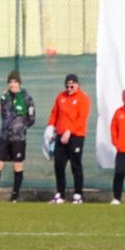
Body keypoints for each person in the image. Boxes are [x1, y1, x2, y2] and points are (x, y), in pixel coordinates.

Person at [46, 73, 91, 204]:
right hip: (60, 136)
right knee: (59, 165)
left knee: (75, 165)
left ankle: (78, 195)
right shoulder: (61, 97)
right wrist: (50, 127)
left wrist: (69, 131)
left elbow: (81, 119)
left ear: (77, 85)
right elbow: (54, 113)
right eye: (67, 86)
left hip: (76, 136)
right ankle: (60, 194)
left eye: (72, 86)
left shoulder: (83, 98)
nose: (69, 88)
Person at [0, 70, 35, 202]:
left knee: (17, 166)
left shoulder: (26, 98)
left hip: (18, 139)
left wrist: (20, 127)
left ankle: (15, 196)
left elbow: (31, 118)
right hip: (4, 137)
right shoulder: (5, 97)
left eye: (15, 81)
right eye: (10, 82)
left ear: (19, 83)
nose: (12, 84)